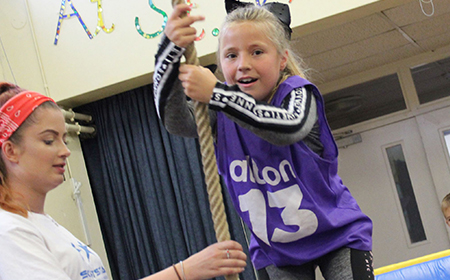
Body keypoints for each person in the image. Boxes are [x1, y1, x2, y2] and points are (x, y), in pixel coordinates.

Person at [153, 2, 374, 279]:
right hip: (276, 251)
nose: (243, 64)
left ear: (282, 59)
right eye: (231, 55)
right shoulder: (220, 113)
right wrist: (168, 48)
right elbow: (175, 121)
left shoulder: (298, 94)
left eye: (257, 52)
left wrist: (218, 93)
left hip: (336, 236)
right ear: (221, 63)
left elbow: (286, 128)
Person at [0, 82, 247, 280]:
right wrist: (183, 272)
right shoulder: (8, 232)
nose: (65, 150)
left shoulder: (42, 224)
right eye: (48, 140)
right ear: (11, 151)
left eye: (64, 139)